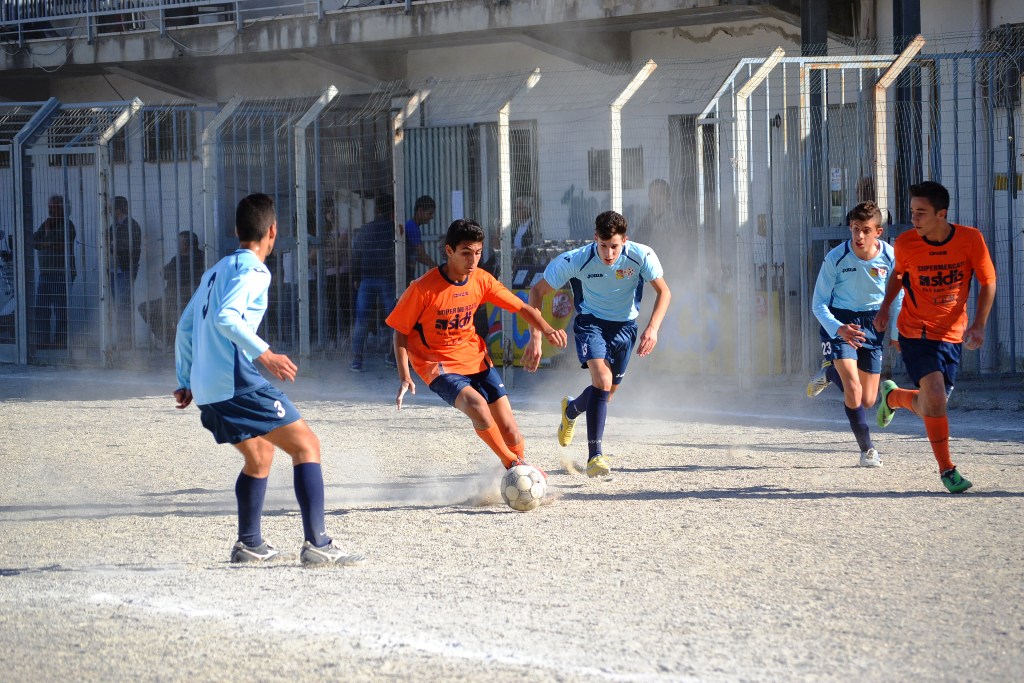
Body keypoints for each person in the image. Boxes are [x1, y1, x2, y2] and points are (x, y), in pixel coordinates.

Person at [174, 193, 365, 566]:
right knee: (306, 445)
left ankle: (249, 544)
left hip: (208, 386)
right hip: (234, 381)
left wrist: (185, 379)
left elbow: (184, 327)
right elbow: (227, 318)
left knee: (259, 455)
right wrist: (266, 354)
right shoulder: (256, 270)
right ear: (273, 231)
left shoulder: (214, 271)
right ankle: (318, 545)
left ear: (236, 231)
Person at [386, 218, 567, 474]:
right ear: (449, 251)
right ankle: (514, 465)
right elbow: (400, 332)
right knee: (478, 407)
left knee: (512, 433)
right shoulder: (422, 289)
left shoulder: (481, 280)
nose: (473, 261)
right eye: (466, 253)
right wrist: (404, 375)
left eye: (478, 253)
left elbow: (523, 308)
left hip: (475, 357)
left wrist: (548, 329)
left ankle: (513, 471)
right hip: (438, 365)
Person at [523, 210, 671, 478]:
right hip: (590, 323)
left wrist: (653, 328)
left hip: (626, 328)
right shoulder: (577, 259)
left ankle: (571, 410)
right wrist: (536, 337)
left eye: (614, 246)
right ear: (595, 239)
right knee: (602, 380)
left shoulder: (641, 255)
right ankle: (595, 457)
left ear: (624, 240)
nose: (609, 253)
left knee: (606, 394)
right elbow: (537, 292)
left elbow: (664, 292)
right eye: (603, 246)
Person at [873, 181, 997, 494]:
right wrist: (886, 308)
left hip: (953, 334)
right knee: (937, 396)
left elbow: (988, 280)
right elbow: (899, 277)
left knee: (933, 404)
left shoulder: (971, 240)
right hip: (915, 331)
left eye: (921, 213)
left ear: (941, 214)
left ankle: (894, 397)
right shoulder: (905, 243)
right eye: (912, 211)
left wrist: (979, 325)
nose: (914, 218)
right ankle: (947, 470)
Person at [809, 201, 901, 468]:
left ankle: (828, 374)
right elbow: (818, 304)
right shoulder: (836, 257)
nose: (859, 236)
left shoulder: (890, 257)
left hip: (873, 324)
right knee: (852, 387)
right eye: (855, 229)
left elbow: (898, 297)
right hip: (840, 322)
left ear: (878, 232)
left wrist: (895, 331)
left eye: (865, 230)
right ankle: (867, 450)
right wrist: (838, 328)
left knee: (867, 400)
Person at [350, 192, 398, 372]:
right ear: (392, 210)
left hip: (367, 278)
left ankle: (357, 359)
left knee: (362, 319)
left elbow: (356, 254)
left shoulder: (365, 229)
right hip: (387, 278)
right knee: (394, 320)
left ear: (376, 209)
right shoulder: (394, 229)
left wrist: (355, 276)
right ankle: (393, 357)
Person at [138, 230, 205, 347]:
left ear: (186, 244)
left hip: (187, 298)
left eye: (179, 241)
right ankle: (170, 338)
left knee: (171, 310)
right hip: (170, 297)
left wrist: (174, 273)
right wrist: (175, 273)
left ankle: (180, 341)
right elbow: (164, 273)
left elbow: (183, 275)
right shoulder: (177, 258)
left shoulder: (199, 257)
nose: (177, 244)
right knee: (144, 308)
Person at [32, 195, 76, 349]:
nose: (51, 209)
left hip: (60, 273)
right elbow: (34, 241)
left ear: (63, 208)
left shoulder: (67, 225)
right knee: (41, 309)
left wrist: (48, 236)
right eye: (50, 206)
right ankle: (42, 340)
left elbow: (62, 245)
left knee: (60, 310)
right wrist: (50, 243)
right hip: (45, 273)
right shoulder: (46, 223)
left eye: (54, 206)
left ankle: (61, 341)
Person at [108, 196, 143, 348]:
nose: (109, 211)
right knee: (118, 304)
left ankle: (126, 339)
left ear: (118, 210)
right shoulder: (114, 226)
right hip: (115, 270)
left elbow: (130, 249)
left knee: (123, 304)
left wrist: (112, 246)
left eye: (112, 208)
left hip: (126, 269)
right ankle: (122, 337)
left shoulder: (132, 226)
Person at [404, 195, 438, 283]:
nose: (431, 217)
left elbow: (417, 254)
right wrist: (436, 267)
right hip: (406, 273)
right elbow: (420, 254)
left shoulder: (412, 226)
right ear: (420, 211)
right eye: (429, 213)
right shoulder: (412, 227)